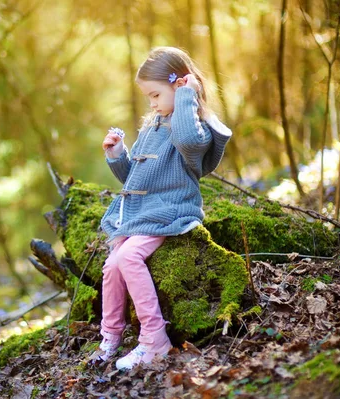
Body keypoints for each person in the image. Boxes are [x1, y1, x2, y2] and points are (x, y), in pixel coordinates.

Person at [89, 46, 232, 370]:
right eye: (149, 98)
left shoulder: (192, 125)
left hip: (171, 209)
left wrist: (187, 96)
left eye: (155, 95)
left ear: (179, 85)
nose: (152, 104)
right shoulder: (153, 126)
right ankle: (110, 336)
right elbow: (135, 180)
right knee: (112, 266)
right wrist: (118, 155)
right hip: (144, 210)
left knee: (128, 256)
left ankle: (154, 340)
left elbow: (189, 143)